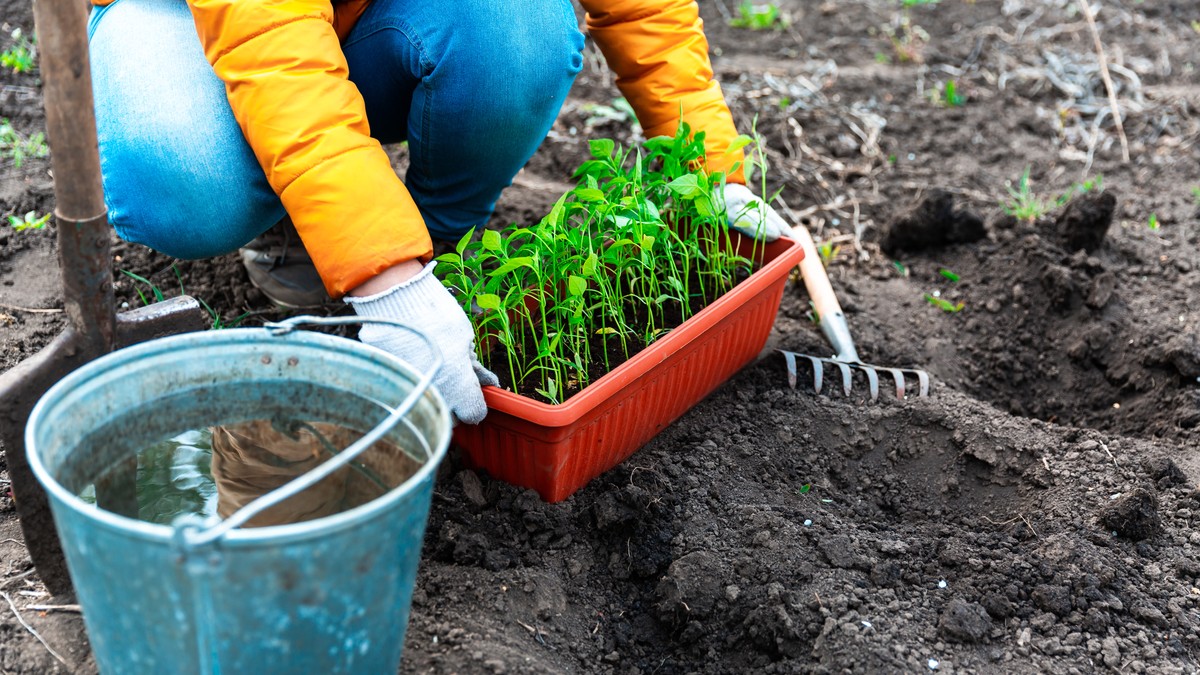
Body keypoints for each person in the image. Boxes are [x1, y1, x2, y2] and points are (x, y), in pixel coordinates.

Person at [87, 0, 790, 427]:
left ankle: (430, 254)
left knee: (521, 33)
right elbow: (272, 44)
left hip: (370, 14)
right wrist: (382, 274)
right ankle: (303, 227)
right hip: (189, 18)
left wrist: (711, 171)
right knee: (185, 176)